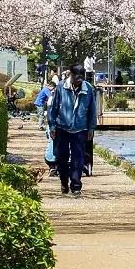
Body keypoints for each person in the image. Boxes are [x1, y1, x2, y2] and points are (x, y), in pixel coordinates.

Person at [48, 63, 99, 195]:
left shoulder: (88, 89)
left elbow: (92, 110)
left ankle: (76, 185)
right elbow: (53, 108)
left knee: (78, 158)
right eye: (77, 77)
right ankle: (64, 181)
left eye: (82, 77)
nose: (79, 80)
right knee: (61, 157)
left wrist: (91, 128)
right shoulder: (61, 87)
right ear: (71, 75)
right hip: (62, 127)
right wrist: (52, 126)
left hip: (80, 128)